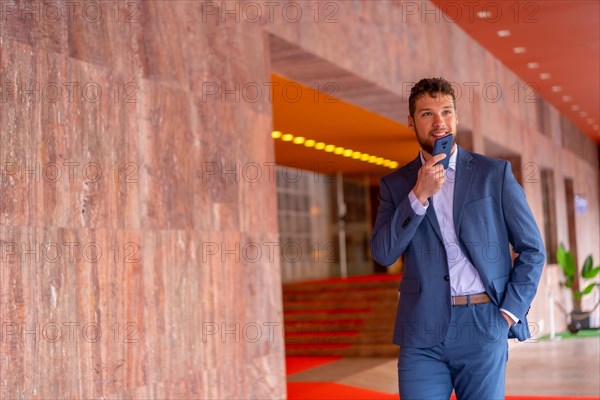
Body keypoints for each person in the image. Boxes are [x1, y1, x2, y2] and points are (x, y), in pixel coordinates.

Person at [370, 77, 545, 400]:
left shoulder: (494, 174)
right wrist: (418, 196)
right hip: (421, 329)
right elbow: (383, 253)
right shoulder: (396, 186)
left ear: (456, 117)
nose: (439, 123)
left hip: (484, 322)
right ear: (411, 121)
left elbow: (532, 249)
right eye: (427, 114)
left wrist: (507, 314)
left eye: (446, 112)